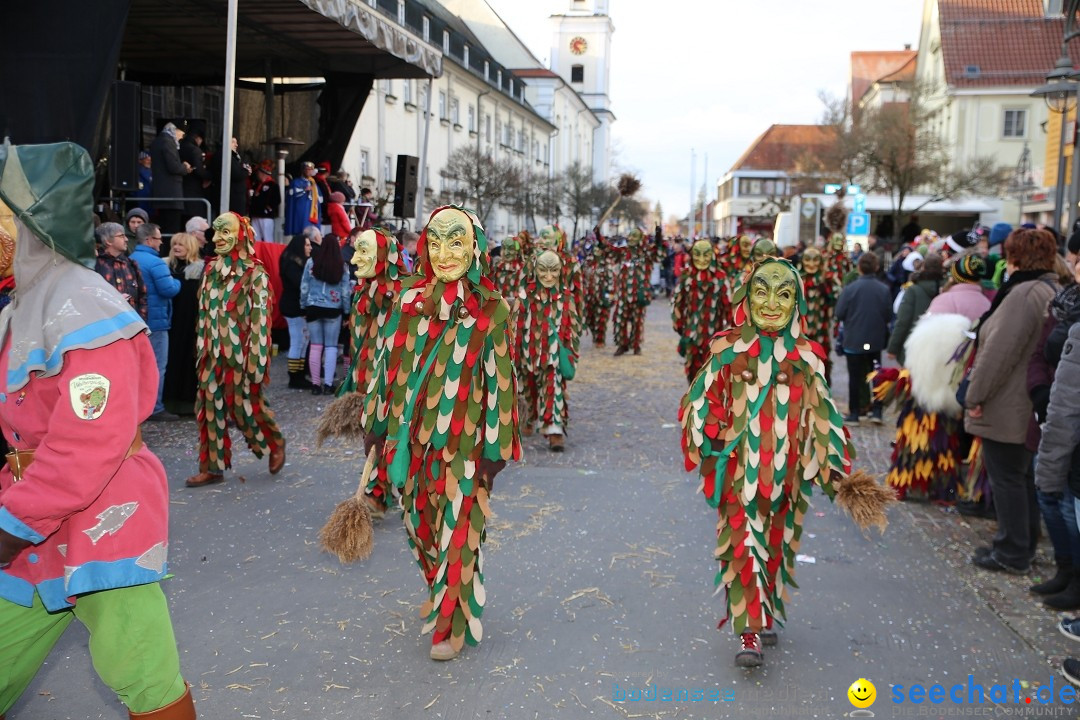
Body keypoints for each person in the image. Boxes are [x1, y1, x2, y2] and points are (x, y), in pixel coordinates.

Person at [0, 139, 195, 718]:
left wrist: (15, 521)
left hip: (101, 522)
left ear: (33, 224)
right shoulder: (24, 306)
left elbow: (88, 440)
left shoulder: (85, 310)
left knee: (143, 676)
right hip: (34, 521)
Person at [680, 257, 874, 668]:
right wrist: (709, 435)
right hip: (738, 471)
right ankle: (748, 630)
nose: (771, 303)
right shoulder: (728, 350)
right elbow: (700, 400)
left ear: (796, 303)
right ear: (746, 298)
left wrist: (834, 468)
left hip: (788, 475)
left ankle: (765, 611)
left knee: (775, 546)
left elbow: (823, 419)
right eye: (761, 292)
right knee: (742, 544)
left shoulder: (806, 359)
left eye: (784, 294)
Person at [361, 204, 520, 661]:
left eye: (456, 241)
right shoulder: (409, 300)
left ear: (475, 248)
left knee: (458, 527)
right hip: (407, 437)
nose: (445, 252)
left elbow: (500, 380)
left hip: (464, 442)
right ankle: (438, 584)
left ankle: (451, 622)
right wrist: (375, 423)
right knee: (418, 524)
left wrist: (497, 448)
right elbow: (386, 365)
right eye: (435, 241)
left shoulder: (491, 310)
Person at [965, 228, 1060, 574]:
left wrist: (975, 395)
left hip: (1009, 403)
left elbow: (999, 353)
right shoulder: (1050, 288)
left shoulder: (1024, 294)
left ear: (1015, 256)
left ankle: (1012, 550)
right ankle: (1020, 545)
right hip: (1024, 401)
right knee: (1020, 479)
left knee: (1008, 479)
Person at [185, 212, 286, 488]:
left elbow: (260, 323)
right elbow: (204, 314)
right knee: (208, 408)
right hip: (210, 354)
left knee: (245, 407)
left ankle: (274, 442)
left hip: (241, 357)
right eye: (216, 232)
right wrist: (201, 346)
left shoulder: (256, 275)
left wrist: (256, 361)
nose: (217, 238)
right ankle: (212, 466)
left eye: (225, 233)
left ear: (241, 236)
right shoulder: (210, 271)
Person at [320, 227, 408, 518]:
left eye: (364, 252)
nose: (354, 259)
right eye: (355, 250)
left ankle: (384, 492)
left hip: (397, 381)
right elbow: (360, 343)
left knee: (389, 435)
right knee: (373, 437)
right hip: (367, 378)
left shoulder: (404, 295)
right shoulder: (361, 292)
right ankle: (384, 491)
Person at [515, 250, 581, 451]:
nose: (549, 277)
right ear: (535, 271)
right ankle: (528, 418)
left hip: (552, 356)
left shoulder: (565, 297)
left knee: (553, 389)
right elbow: (515, 326)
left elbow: (573, 328)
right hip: (527, 354)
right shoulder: (524, 296)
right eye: (544, 271)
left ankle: (554, 432)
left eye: (554, 271)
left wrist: (570, 355)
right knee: (527, 388)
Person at [834, 253, 892, 424]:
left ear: (859, 267)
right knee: (876, 375)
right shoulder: (883, 289)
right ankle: (877, 411)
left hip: (854, 339)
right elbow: (888, 315)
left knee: (855, 376)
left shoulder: (850, 289)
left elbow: (839, 313)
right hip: (874, 340)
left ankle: (854, 413)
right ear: (876, 267)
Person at [133, 224, 181, 422]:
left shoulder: (131, 259)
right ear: (149, 240)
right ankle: (155, 407)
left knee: (137, 366)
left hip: (135, 322)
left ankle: (138, 406)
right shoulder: (156, 263)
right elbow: (169, 289)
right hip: (157, 321)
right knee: (157, 366)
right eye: (159, 238)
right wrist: (179, 281)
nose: (162, 242)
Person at [671, 239, 730, 382]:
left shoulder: (720, 278)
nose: (702, 260)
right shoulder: (686, 277)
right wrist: (678, 323)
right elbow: (677, 302)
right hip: (691, 333)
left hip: (714, 335)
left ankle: (709, 402)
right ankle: (693, 399)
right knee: (692, 372)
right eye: (698, 255)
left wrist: (731, 330)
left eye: (706, 255)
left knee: (712, 373)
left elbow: (729, 306)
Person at [300, 232, 352, 395]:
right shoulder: (342, 265)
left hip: (313, 306)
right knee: (331, 347)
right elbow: (345, 292)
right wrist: (347, 312)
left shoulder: (311, 262)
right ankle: (328, 384)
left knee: (315, 346)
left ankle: (315, 384)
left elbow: (304, 287)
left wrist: (303, 306)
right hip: (333, 308)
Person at [603, 226, 666, 356]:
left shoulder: (647, 252)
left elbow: (659, 255)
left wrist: (659, 238)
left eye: (634, 236)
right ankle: (622, 345)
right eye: (629, 236)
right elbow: (609, 251)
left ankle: (636, 346)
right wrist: (599, 237)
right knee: (620, 320)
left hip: (639, 295)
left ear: (640, 239)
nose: (630, 238)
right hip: (623, 294)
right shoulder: (623, 252)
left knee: (638, 322)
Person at [163, 233, 205, 415]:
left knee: (188, 360)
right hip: (170, 320)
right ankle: (168, 401)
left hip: (191, 322)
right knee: (171, 360)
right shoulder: (165, 266)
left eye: (181, 244)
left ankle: (188, 403)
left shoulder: (200, 269)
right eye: (174, 244)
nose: (177, 247)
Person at [887, 253, 944, 365]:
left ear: (924, 267)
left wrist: (893, 348)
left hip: (914, 345)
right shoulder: (947, 288)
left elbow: (903, 321)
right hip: (939, 347)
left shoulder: (913, 290)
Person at [280, 228, 317, 388]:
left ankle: (300, 374)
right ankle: (294, 377)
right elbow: (299, 285)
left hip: (297, 307)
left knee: (303, 341)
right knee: (297, 341)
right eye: (307, 245)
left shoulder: (296, 262)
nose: (310, 248)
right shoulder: (292, 264)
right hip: (293, 308)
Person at [799, 247, 839, 383]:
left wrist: (826, 288)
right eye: (807, 260)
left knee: (821, 356)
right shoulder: (797, 279)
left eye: (815, 260)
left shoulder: (826, 279)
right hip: (800, 329)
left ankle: (821, 384)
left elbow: (835, 300)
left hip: (820, 328)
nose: (811, 264)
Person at [95, 222, 147, 321]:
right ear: (108, 241)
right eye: (121, 236)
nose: (126, 239)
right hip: (108, 328)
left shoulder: (131, 264)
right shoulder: (95, 266)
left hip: (133, 327)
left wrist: (141, 321)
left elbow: (143, 296)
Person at [148, 122, 191, 235]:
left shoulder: (157, 141)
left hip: (162, 194)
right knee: (172, 230)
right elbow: (173, 167)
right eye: (181, 134)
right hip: (171, 195)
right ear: (175, 130)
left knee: (164, 228)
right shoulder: (168, 142)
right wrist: (185, 168)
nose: (181, 137)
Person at [178, 128, 209, 223]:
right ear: (198, 138)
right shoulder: (195, 150)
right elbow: (199, 171)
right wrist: (210, 176)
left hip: (180, 190)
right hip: (194, 191)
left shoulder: (178, 147)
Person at [285, 161, 320, 236]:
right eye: (307, 169)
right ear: (303, 170)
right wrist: (304, 190)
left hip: (311, 212)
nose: (309, 171)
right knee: (301, 232)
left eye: (311, 169)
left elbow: (319, 198)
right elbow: (292, 195)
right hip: (300, 210)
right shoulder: (296, 182)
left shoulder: (314, 183)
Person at [248, 161, 280, 242]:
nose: (257, 174)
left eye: (258, 172)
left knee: (267, 239)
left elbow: (277, 200)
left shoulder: (273, 185)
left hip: (266, 217)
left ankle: (267, 254)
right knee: (255, 239)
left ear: (263, 173)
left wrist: (268, 209)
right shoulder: (256, 184)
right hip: (255, 215)